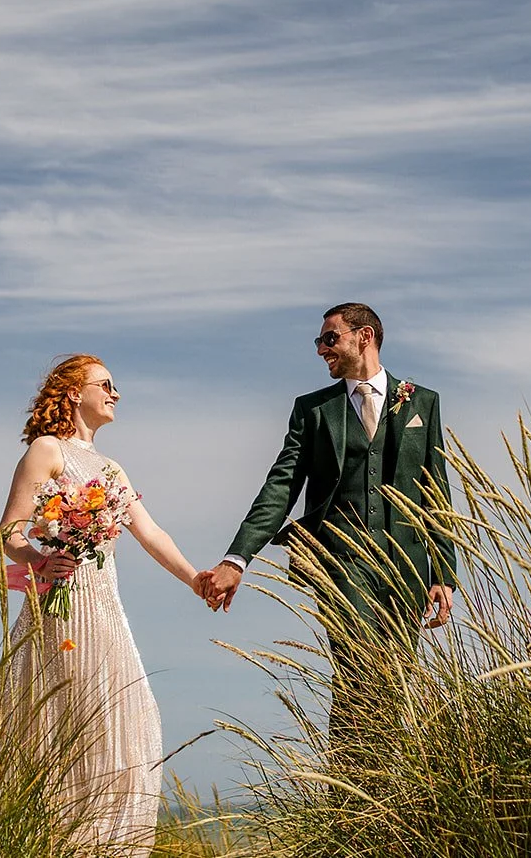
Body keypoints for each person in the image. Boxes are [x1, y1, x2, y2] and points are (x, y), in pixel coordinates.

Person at [197, 303, 457, 755]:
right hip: (342, 564)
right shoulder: (313, 411)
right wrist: (237, 559)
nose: (320, 350)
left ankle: (392, 791)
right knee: (358, 672)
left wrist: (443, 572)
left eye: (329, 339)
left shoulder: (422, 402)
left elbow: (436, 491)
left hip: (407, 565)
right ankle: (350, 796)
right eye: (319, 341)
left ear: (365, 336)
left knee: (397, 677)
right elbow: (281, 486)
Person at [0, 354, 210, 853]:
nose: (116, 394)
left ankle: (109, 845)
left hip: (105, 606)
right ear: (73, 392)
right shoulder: (46, 452)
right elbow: (9, 531)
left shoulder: (112, 468)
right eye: (106, 384)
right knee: (61, 722)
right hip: (62, 607)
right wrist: (40, 560)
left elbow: (150, 532)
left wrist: (194, 578)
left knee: (131, 719)